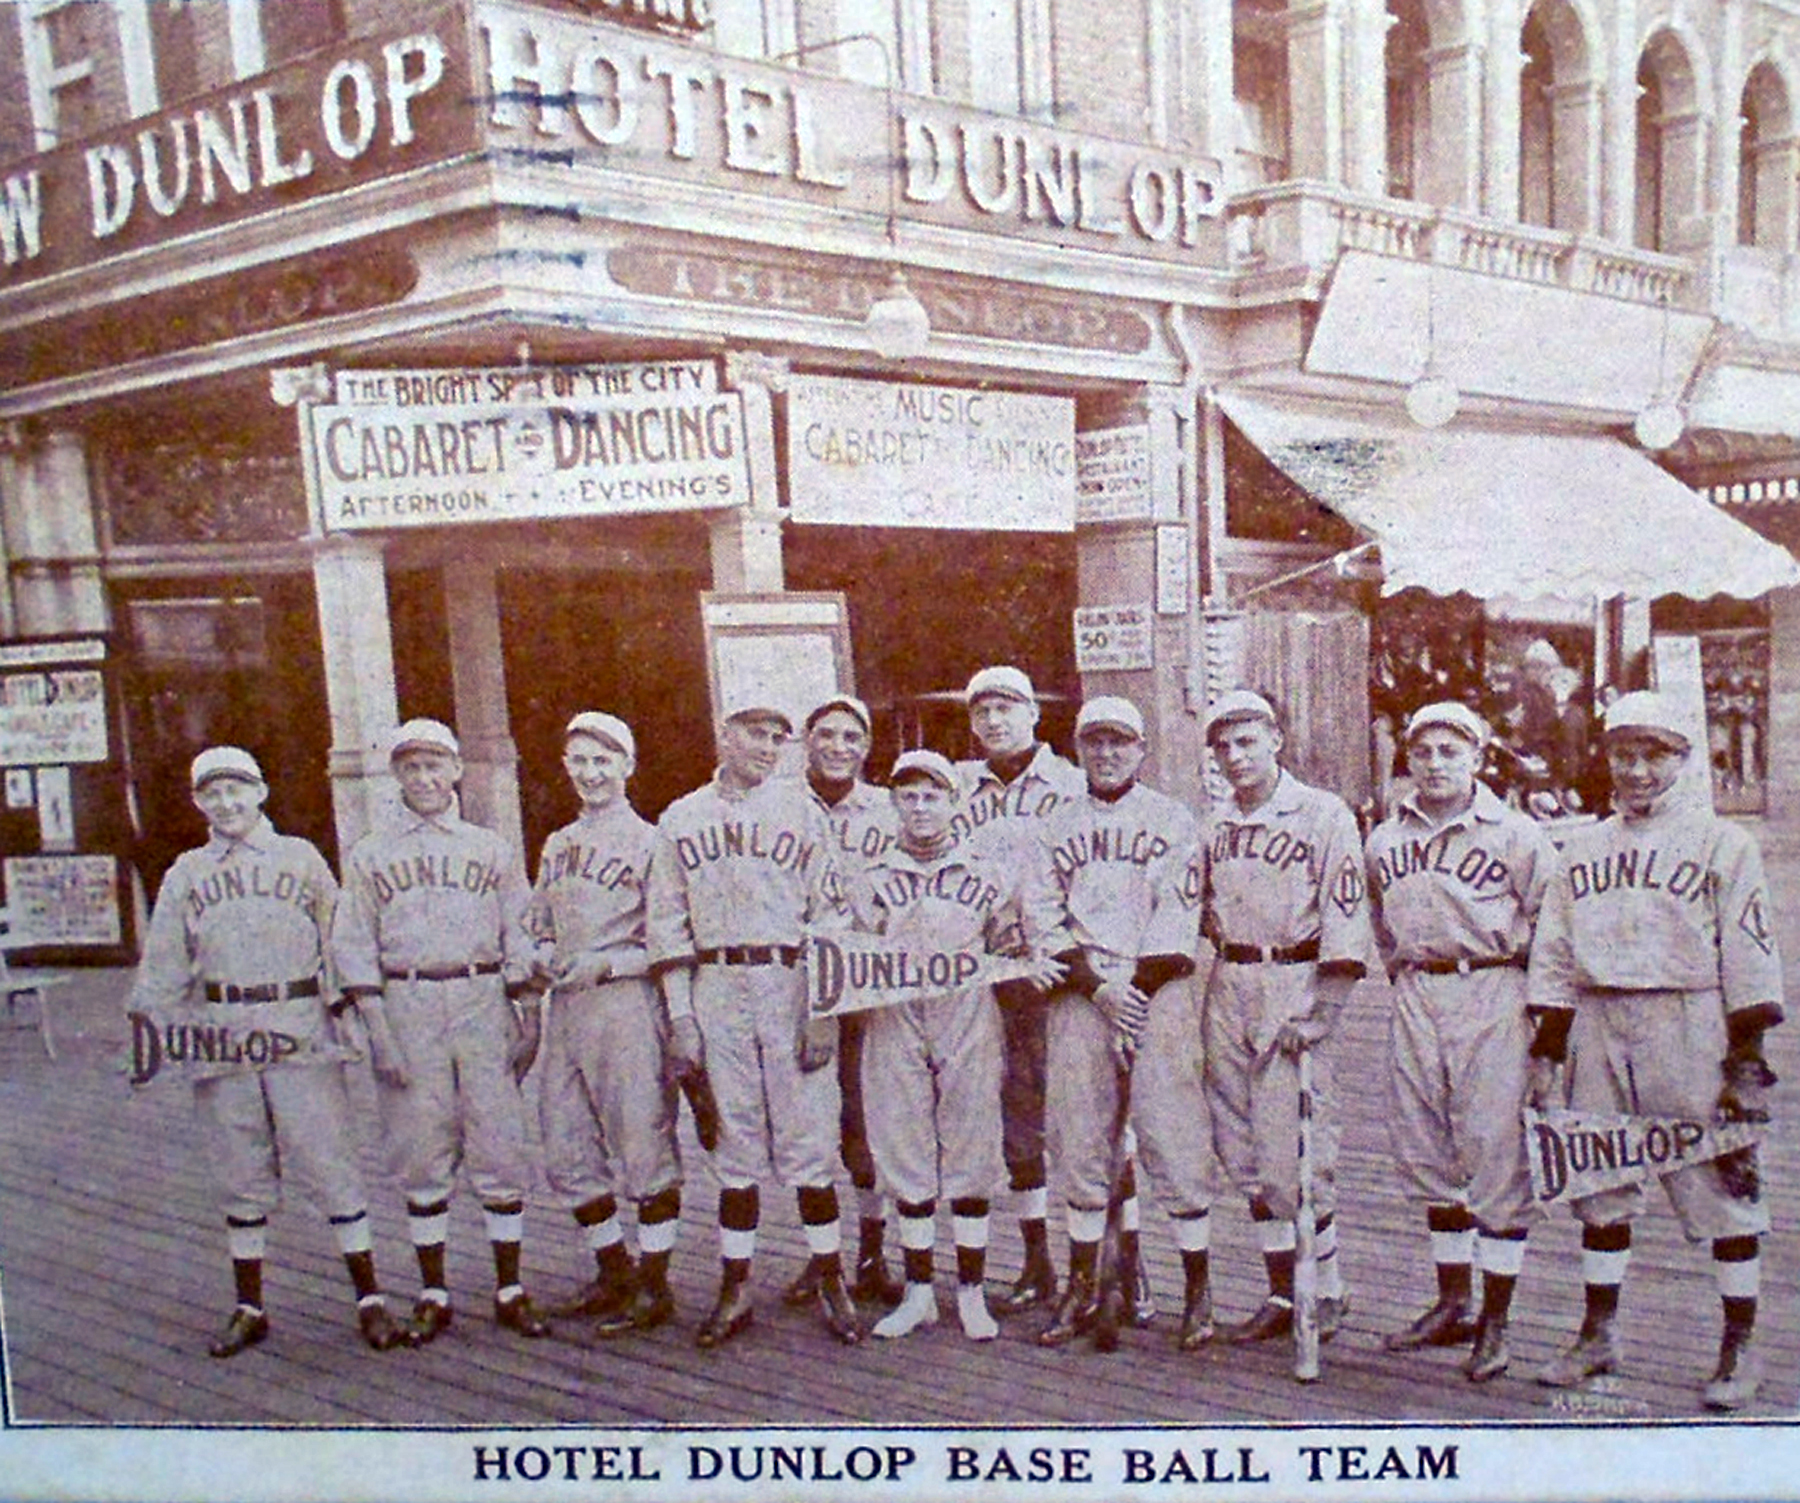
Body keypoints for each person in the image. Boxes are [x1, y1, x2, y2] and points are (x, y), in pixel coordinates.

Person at [1529, 690, 1784, 1411]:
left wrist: (1746, 1060)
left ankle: (1740, 1345)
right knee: (1599, 1183)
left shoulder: (1721, 843)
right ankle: (1599, 1333)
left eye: (1654, 755)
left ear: (1682, 758)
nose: (1637, 769)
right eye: (1624, 753)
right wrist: (1548, 1047)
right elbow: (1552, 952)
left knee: (1723, 1187)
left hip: (1689, 1018)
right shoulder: (1580, 845)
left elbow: (1750, 953)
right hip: (1599, 1020)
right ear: (1606, 756)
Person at [130, 746, 411, 1358]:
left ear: (260, 792)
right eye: (212, 793)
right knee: (240, 1168)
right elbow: (164, 963)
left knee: (329, 1160)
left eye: (237, 790)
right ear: (198, 802)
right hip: (222, 1027)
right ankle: (249, 1307)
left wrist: (355, 1012)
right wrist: (150, 1030)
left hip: (298, 1022)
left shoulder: (301, 858)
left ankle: (370, 1300)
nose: (226, 803)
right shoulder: (186, 872)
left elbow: (341, 941)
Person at [646, 694, 860, 1350]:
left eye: (777, 735)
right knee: (732, 1139)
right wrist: (682, 1017)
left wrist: (823, 1007)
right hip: (716, 981)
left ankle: (830, 1276)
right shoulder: (681, 817)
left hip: (789, 978)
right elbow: (666, 921)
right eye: (755, 732)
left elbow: (832, 915)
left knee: (808, 1136)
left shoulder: (802, 812)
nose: (768, 746)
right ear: (724, 732)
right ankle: (735, 1284)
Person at [331, 719, 552, 1344]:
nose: (424, 779)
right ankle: (434, 1292)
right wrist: (378, 1030)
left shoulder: (491, 847)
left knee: (499, 1143)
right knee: (420, 1149)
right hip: (408, 999)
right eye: (411, 768)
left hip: (482, 997)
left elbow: (518, 931)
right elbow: (353, 947)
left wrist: (528, 1014)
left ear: (456, 770)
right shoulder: (372, 853)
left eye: (435, 766)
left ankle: (510, 1289)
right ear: (395, 775)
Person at [845, 750, 1062, 1342]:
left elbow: (1010, 944)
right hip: (893, 1015)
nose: (920, 807)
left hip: (965, 1012)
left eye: (932, 795)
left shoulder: (984, 874)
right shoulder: (870, 878)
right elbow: (847, 953)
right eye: (908, 796)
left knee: (971, 1140)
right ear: (893, 803)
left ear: (954, 802)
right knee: (903, 1143)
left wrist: (1026, 963)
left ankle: (969, 1291)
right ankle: (918, 1293)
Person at [1365, 702, 1553, 1382]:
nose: (1436, 763)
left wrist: (1543, 1023)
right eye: (1424, 751)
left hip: (1493, 987)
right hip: (1419, 988)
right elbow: (1382, 926)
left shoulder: (1517, 833)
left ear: (1477, 756)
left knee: (1494, 1150)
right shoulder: (1386, 838)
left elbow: (1550, 926)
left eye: (1451, 750)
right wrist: (1409, 970)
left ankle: (1496, 1320)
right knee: (1428, 1147)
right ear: (1408, 759)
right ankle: (1454, 1300)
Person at [1037, 697, 1216, 1354]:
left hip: (1157, 983)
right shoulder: (1053, 824)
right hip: (1084, 987)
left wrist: (1130, 991)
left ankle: (1198, 1290)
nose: (1106, 753)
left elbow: (1181, 917)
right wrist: (1098, 987)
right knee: (1079, 1137)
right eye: (1094, 742)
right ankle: (1083, 1284)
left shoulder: (1171, 819)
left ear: (1141, 749)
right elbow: (1043, 918)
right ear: (1079, 749)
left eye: (1119, 742)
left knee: (1173, 1135)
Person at [1198, 690, 1371, 1343]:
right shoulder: (1214, 822)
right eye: (1223, 745)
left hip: (1292, 977)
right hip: (1230, 976)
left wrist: (1326, 1008)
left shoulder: (1322, 814)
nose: (1236, 755)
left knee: (1295, 1148)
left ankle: (1324, 1290)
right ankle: (1280, 1288)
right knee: (1240, 1144)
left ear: (1276, 738)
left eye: (1247, 740)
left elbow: (1345, 915)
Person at [526, 711, 682, 1337]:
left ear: (627, 766)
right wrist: (538, 951)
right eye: (580, 761)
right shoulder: (558, 843)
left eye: (603, 760)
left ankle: (655, 1284)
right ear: (566, 767)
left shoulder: (652, 842)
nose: (591, 773)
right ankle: (613, 1269)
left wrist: (610, 963)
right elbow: (538, 922)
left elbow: (670, 941)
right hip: (566, 1008)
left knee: (642, 1144)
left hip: (627, 1004)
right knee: (565, 1144)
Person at [950, 665, 1094, 1318]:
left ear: (1035, 712)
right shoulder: (955, 788)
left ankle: (1123, 1265)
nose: (993, 720)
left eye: (1006, 706)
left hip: (1065, 971)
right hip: (993, 973)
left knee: (1090, 1117)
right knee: (1017, 1116)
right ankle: (1038, 1258)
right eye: (981, 710)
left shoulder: (1072, 784)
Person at [782, 695, 904, 1312]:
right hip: (795, 987)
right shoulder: (779, 806)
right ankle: (821, 1256)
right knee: (809, 1123)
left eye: (851, 737)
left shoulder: (887, 808)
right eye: (825, 734)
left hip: (869, 987)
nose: (837, 746)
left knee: (865, 1125)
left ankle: (871, 1253)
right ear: (806, 740)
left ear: (866, 747)